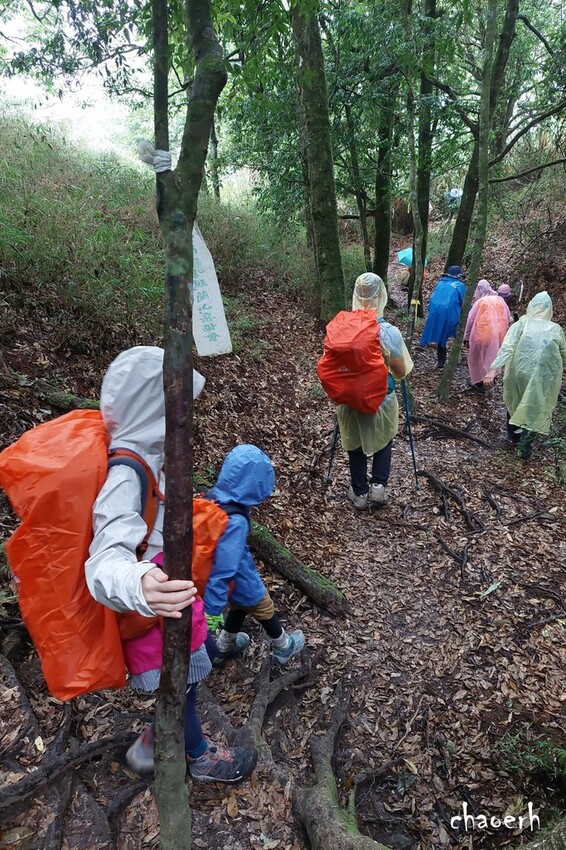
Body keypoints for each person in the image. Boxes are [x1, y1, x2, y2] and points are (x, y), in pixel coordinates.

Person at [85, 346, 256, 783]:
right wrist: (139, 582)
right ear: (154, 408)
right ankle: (197, 756)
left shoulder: (148, 458)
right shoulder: (128, 472)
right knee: (183, 685)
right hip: (154, 610)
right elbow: (104, 558)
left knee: (181, 683)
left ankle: (155, 737)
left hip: (170, 603)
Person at [203, 444, 305, 665]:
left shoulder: (214, 498)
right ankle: (284, 647)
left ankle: (223, 647)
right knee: (264, 607)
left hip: (229, 583)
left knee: (238, 608)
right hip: (240, 578)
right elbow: (226, 566)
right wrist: (212, 606)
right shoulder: (236, 520)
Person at [336, 273, 413, 510]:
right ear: (381, 295)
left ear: (356, 296)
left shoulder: (341, 326)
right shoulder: (389, 332)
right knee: (384, 438)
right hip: (382, 398)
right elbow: (400, 372)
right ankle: (379, 487)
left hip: (350, 399)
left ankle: (359, 493)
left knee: (355, 442)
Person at [483, 292, 566, 459]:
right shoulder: (554, 329)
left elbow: (508, 347)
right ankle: (524, 446)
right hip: (541, 377)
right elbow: (563, 354)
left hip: (518, 373)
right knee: (533, 406)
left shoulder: (521, 325)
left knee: (515, 401)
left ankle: (514, 437)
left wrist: (493, 370)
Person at [464, 279, 511, 391]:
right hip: (499, 335)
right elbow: (508, 317)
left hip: (481, 334)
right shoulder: (500, 300)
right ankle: (491, 378)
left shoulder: (480, 302)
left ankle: (479, 383)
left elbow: (470, 320)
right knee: (491, 356)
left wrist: (466, 337)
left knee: (477, 358)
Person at [419, 265, 466, 368]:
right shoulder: (460, 286)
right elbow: (464, 302)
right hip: (452, 314)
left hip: (436, 313)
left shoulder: (440, 283)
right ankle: (456, 358)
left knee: (441, 335)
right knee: (457, 335)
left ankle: (441, 362)